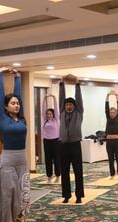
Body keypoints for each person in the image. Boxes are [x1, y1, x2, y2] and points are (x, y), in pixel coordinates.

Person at [0, 66, 30, 222]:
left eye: (17, 103)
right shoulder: (2, 118)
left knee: (23, 199)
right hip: (7, 162)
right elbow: (1, 94)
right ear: (6, 107)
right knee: (7, 198)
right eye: (13, 103)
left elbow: (19, 95)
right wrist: (0, 73)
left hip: (22, 162)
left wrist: (17, 77)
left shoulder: (21, 119)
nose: (16, 104)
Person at [59, 74, 84, 203]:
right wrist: (62, 83)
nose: (68, 106)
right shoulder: (62, 112)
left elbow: (78, 99)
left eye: (71, 104)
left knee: (78, 171)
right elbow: (61, 98)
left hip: (75, 145)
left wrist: (77, 84)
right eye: (67, 104)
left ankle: (79, 195)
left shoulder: (79, 113)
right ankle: (66, 195)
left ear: (74, 106)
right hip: (63, 145)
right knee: (64, 171)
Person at [41, 93, 61, 183]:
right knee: (48, 160)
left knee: (56, 159)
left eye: (50, 114)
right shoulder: (45, 120)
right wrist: (44, 99)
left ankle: (57, 176)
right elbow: (43, 109)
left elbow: (56, 109)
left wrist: (54, 98)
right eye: (47, 114)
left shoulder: (56, 120)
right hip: (46, 142)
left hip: (56, 141)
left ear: (53, 114)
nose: (49, 115)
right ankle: (49, 177)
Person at [105, 91, 118, 180]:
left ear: (116, 113)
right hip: (109, 142)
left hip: (117, 142)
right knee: (110, 159)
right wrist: (107, 96)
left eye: (113, 112)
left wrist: (117, 96)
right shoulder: (108, 118)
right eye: (110, 112)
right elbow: (106, 107)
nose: (111, 113)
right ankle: (112, 174)